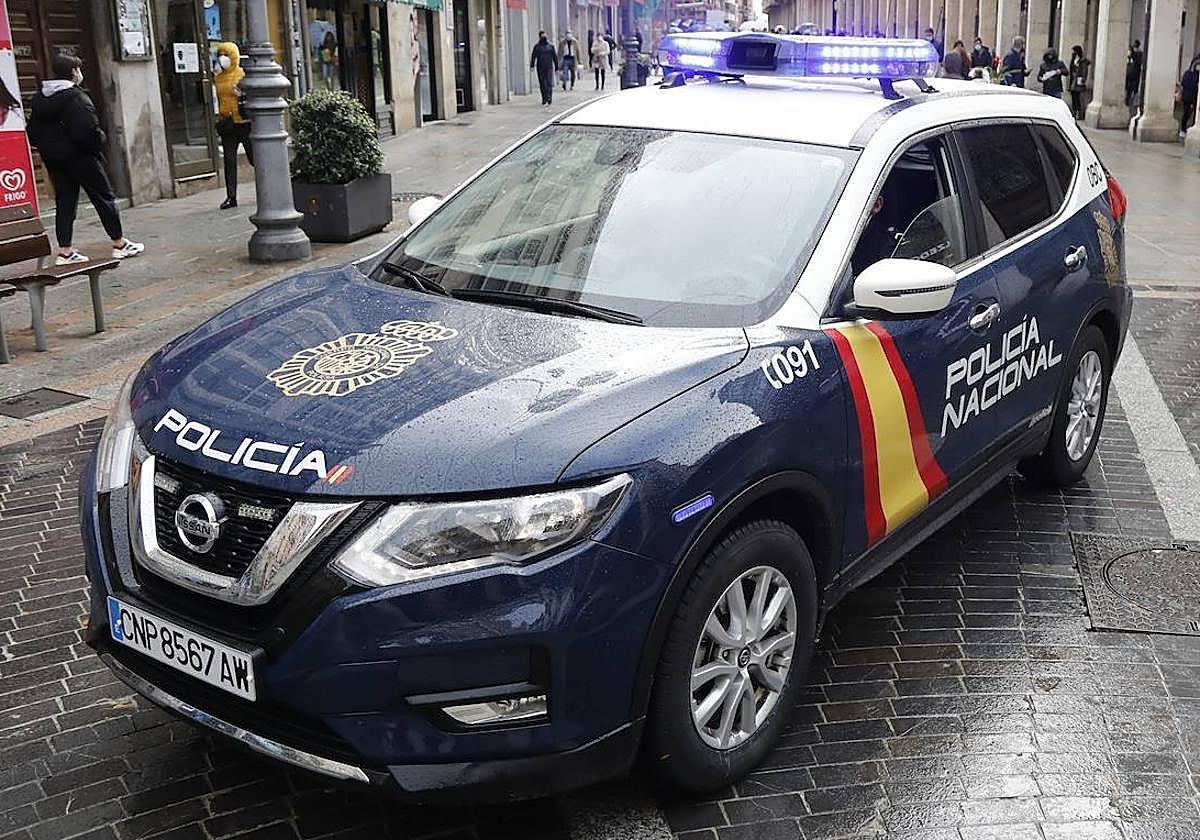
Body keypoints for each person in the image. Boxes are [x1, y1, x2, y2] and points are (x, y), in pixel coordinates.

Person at [26, 53, 143, 266]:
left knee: (65, 202)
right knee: (103, 197)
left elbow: (32, 133)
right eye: (78, 69)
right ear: (73, 72)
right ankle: (119, 243)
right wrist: (99, 141)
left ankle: (65, 251)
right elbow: (87, 131)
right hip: (82, 157)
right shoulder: (76, 98)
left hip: (55, 160)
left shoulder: (40, 99)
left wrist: (51, 149)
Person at [214, 42, 253, 210]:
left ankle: (269, 186)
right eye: (220, 55)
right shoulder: (218, 77)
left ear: (233, 56)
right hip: (227, 123)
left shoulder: (243, 75)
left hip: (243, 122)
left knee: (254, 158)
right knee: (229, 161)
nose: (222, 58)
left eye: (226, 55)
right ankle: (231, 197)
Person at [530, 31, 558, 107]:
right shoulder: (537, 47)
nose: (544, 37)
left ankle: (549, 97)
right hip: (540, 67)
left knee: (549, 83)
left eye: (545, 35)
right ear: (540, 37)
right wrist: (532, 65)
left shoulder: (550, 46)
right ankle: (544, 98)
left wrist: (556, 67)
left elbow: (555, 57)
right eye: (542, 36)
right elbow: (533, 56)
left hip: (549, 67)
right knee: (542, 83)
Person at [1068, 45, 1090, 119]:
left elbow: (1084, 71)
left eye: (1075, 51)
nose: (1074, 53)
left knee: (1078, 98)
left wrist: (1083, 78)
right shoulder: (1073, 59)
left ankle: (1079, 113)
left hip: (1078, 81)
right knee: (1073, 97)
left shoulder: (1083, 61)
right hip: (1073, 80)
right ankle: (1074, 112)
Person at [1181, 57, 1199, 136]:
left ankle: (1184, 129)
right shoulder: (1191, 74)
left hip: (1190, 96)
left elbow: (1183, 83)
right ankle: (1184, 128)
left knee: (1189, 113)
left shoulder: (1188, 73)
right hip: (1190, 96)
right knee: (1188, 113)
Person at [1125, 40, 1142, 107]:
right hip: (1132, 74)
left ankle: (1130, 102)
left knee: (1132, 89)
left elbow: (1134, 56)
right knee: (1130, 89)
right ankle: (1129, 101)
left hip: (1133, 75)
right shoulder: (1137, 54)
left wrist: (1131, 49)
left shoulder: (1138, 54)